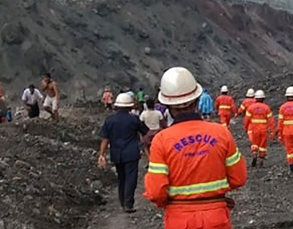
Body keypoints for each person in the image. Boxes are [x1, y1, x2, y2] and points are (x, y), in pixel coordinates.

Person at [145, 67, 247, 229]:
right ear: (197, 100)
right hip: (216, 217)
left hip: (179, 219)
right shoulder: (221, 133)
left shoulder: (161, 141)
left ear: (167, 105)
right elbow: (238, 178)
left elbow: (156, 191)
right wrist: (214, 197)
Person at [98, 93, 149, 213]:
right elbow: (145, 131)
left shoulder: (110, 120)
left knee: (121, 178)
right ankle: (128, 204)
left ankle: (122, 202)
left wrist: (102, 154)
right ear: (130, 106)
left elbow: (105, 139)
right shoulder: (134, 119)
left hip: (116, 153)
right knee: (131, 178)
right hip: (131, 153)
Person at [243, 90, 274, 168]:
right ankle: (261, 160)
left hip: (254, 129)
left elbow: (247, 120)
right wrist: (272, 130)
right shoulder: (266, 108)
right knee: (262, 145)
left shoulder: (251, 108)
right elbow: (271, 120)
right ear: (263, 98)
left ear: (255, 98)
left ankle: (254, 154)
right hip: (263, 129)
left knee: (255, 143)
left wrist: (246, 128)